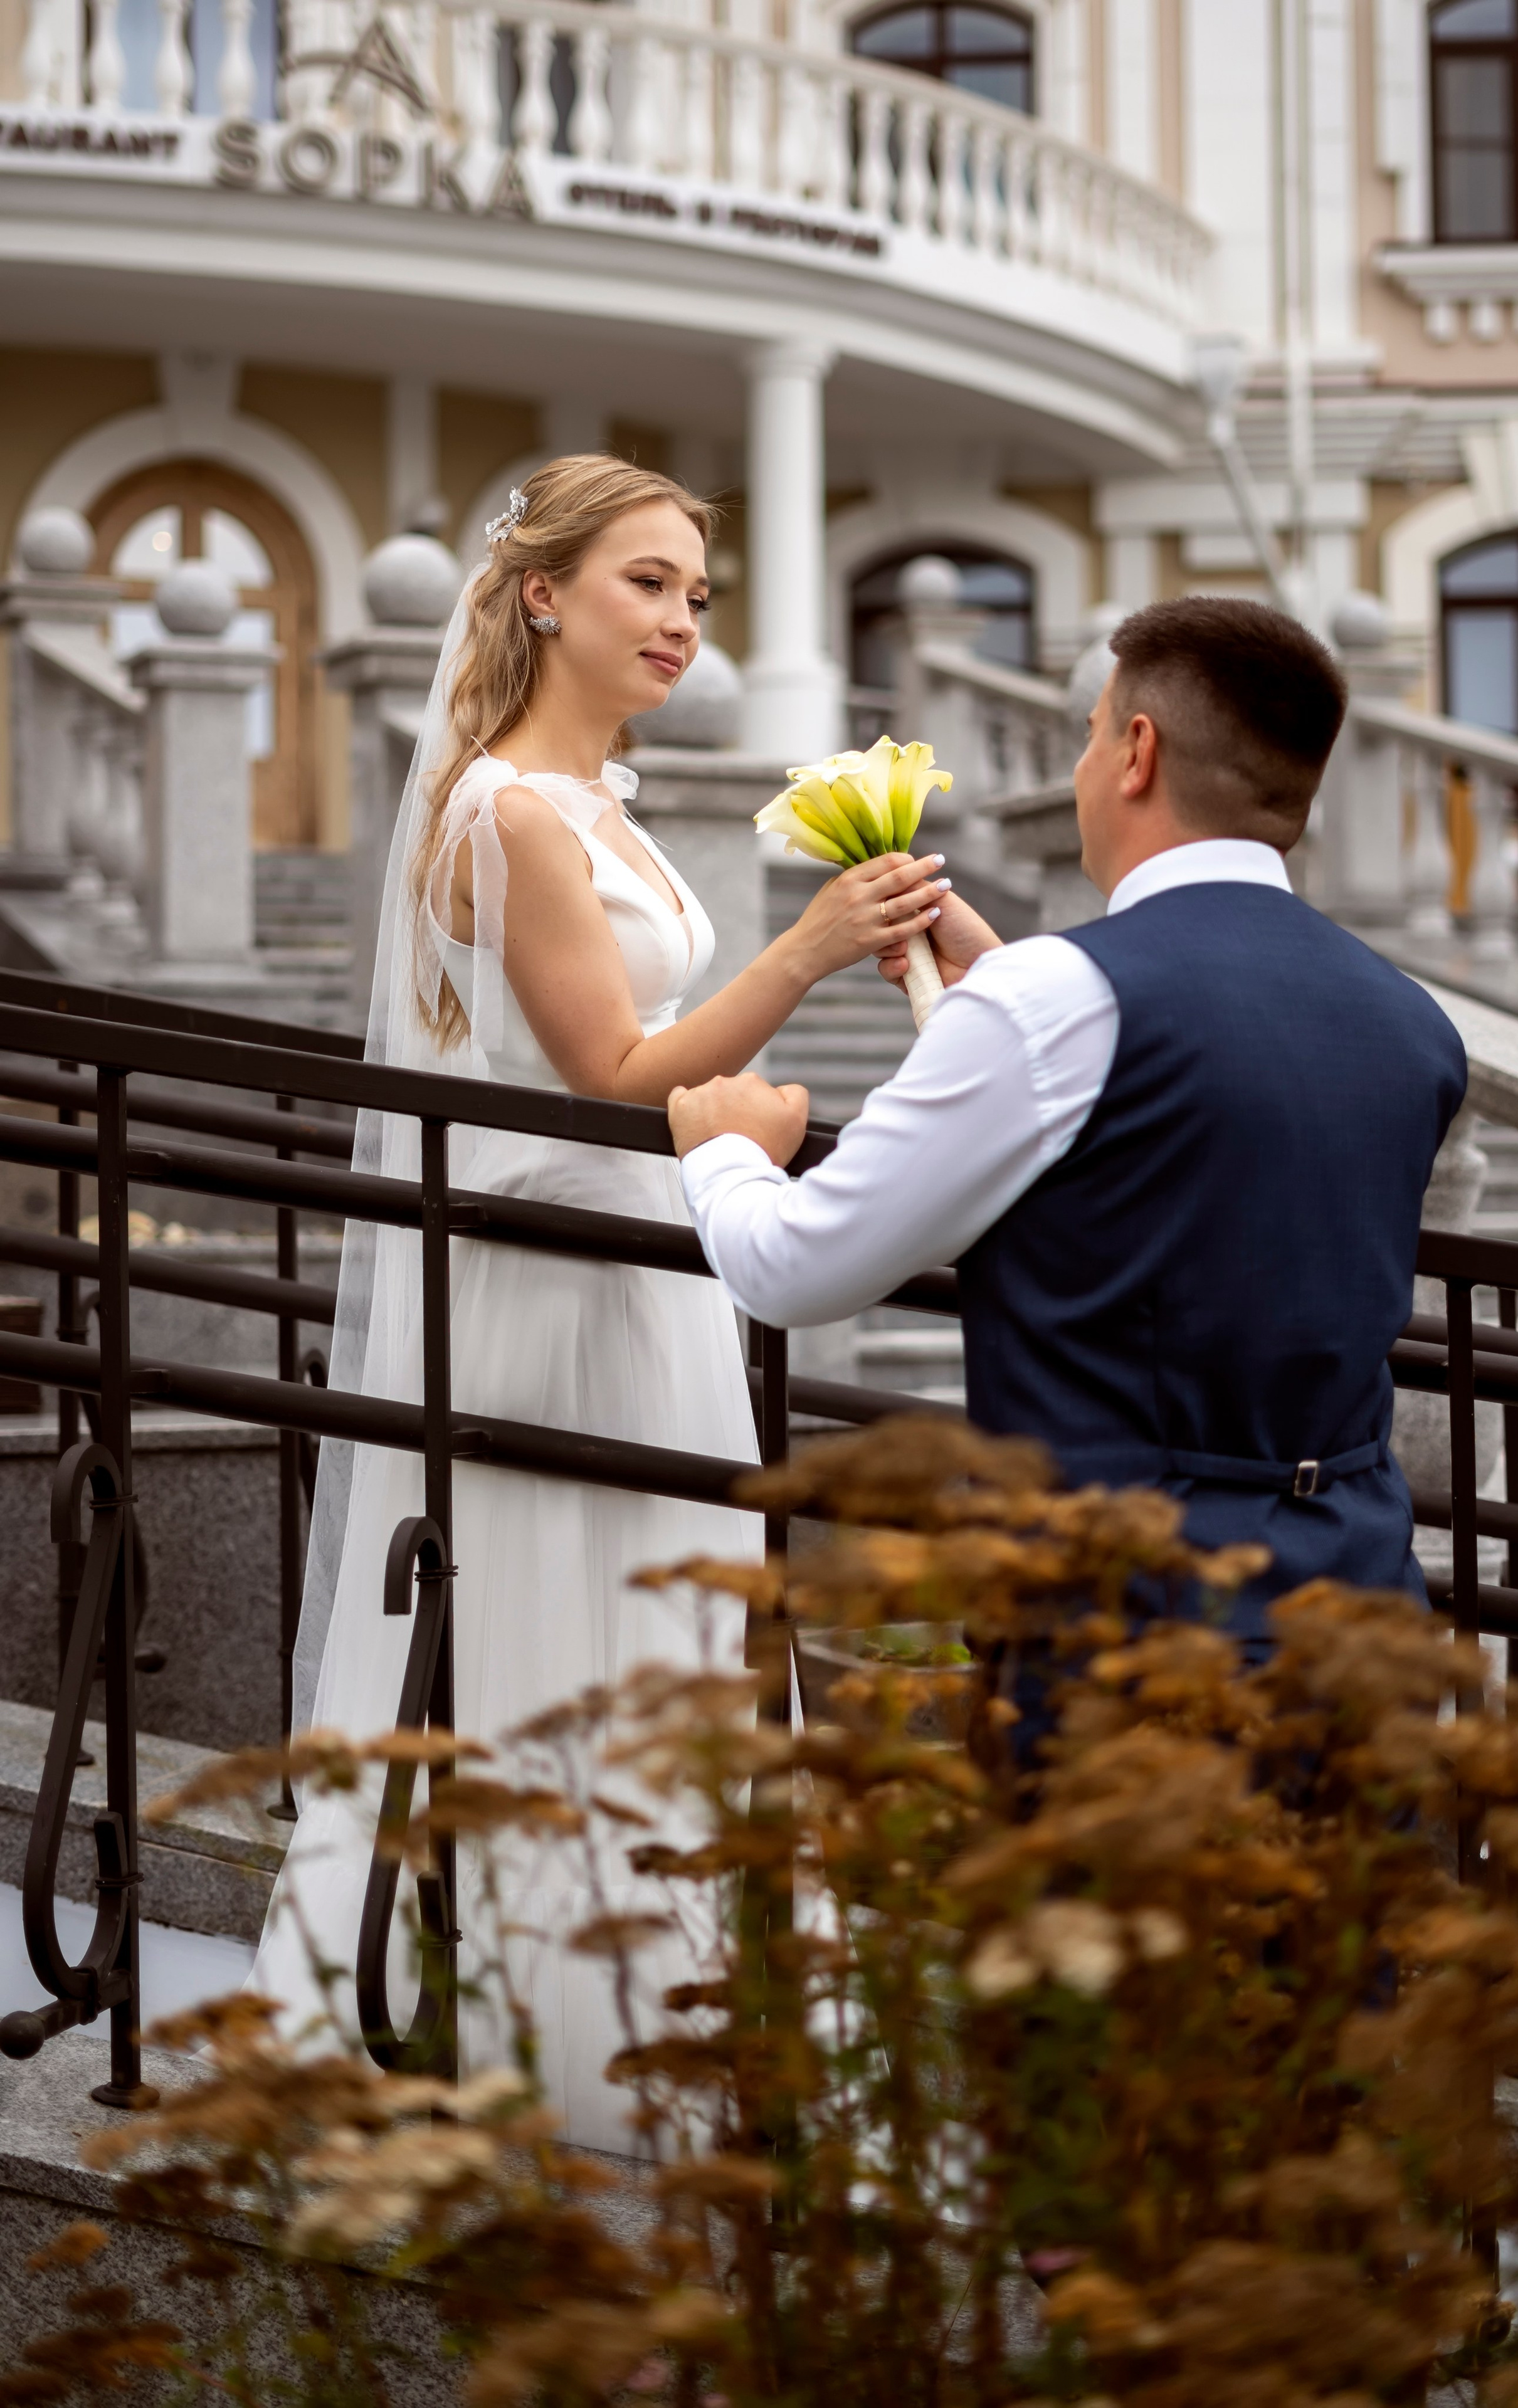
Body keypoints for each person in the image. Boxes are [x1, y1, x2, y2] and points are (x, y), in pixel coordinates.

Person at [251, 456, 946, 2145]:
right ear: (545, 591)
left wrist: (751, 1108)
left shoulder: (608, 801)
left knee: (679, 1622)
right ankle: (559, 2048)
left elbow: (659, 1069)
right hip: (560, 1274)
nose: (682, 622)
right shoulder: (498, 808)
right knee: (578, 1621)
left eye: (698, 596)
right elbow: (607, 1068)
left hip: (645, 1264)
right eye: (649, 583)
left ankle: (683, 1995)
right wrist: (801, 957)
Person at [667, 597, 1469, 1646]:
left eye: (1092, 732)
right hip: (1365, 1611)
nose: (1086, 763)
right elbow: (1208, 1156)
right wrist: (1001, 997)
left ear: (1136, 751)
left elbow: (794, 1268)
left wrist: (725, 1147)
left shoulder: (1051, 1000)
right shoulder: (1412, 1022)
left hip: (1127, 1630)